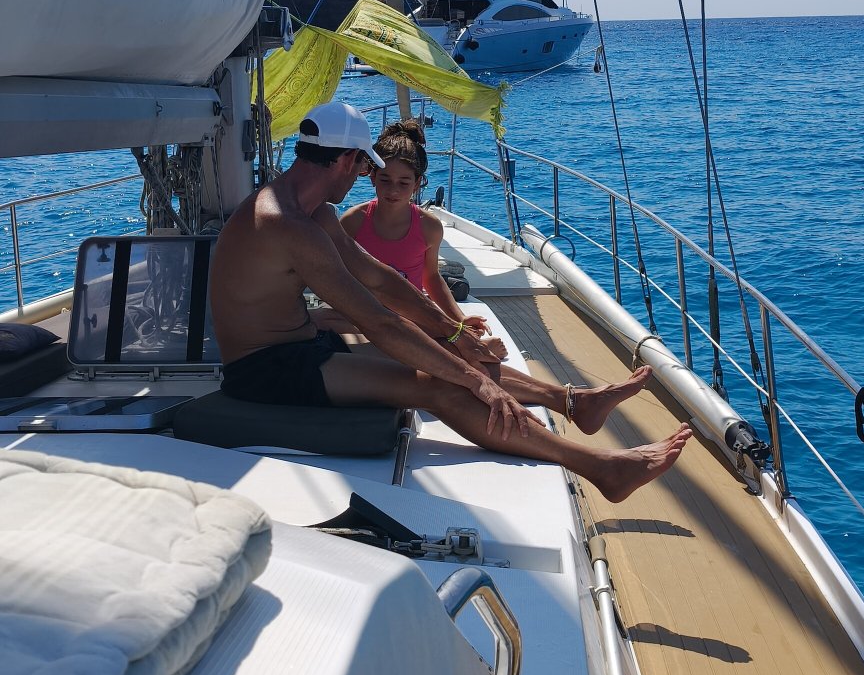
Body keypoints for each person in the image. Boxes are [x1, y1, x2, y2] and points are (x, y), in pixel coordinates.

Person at [209, 101, 691, 502]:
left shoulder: (313, 213)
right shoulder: (288, 224)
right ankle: (603, 468)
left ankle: (573, 402)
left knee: (452, 357)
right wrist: (473, 379)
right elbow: (377, 321)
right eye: (365, 167)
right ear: (347, 159)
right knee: (442, 385)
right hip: (266, 369)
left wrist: (455, 332)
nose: (362, 177)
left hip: (303, 347)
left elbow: (379, 279)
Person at [340, 118, 491, 338]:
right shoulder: (352, 221)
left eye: (403, 183)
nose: (393, 190)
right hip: (363, 318)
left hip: (411, 320)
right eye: (385, 180)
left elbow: (431, 278)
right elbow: (339, 278)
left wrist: (459, 318)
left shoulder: (430, 227)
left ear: (417, 183)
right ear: (373, 177)